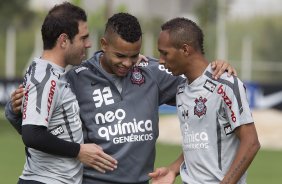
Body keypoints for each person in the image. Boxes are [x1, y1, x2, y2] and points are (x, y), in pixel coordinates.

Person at [6, 13, 236, 184]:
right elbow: (40, 131)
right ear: (104, 45)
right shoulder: (75, 80)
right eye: (120, 55)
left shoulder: (152, 72)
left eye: (133, 56)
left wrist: (215, 68)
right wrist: (14, 112)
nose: (127, 63)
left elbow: (200, 89)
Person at [5, 2, 117, 184]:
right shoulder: (45, 78)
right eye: (83, 38)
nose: (88, 44)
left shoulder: (52, 73)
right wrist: (79, 151)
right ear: (64, 41)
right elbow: (32, 134)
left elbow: (41, 129)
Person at [149, 17, 260, 184]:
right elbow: (201, 145)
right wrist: (172, 169)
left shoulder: (226, 85)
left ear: (185, 50)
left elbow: (251, 143)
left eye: (165, 53)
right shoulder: (182, 90)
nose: (161, 60)